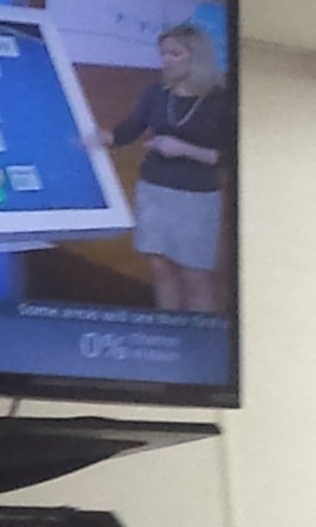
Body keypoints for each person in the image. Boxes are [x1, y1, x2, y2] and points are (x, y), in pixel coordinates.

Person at [93, 23, 233, 313]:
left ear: (196, 57)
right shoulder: (156, 94)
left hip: (196, 197)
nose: (166, 60)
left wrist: (184, 149)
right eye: (163, 54)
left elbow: (230, 156)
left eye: (175, 54)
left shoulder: (221, 100)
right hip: (154, 191)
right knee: (160, 267)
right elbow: (129, 129)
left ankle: (198, 334)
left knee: (195, 275)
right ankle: (168, 329)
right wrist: (97, 138)